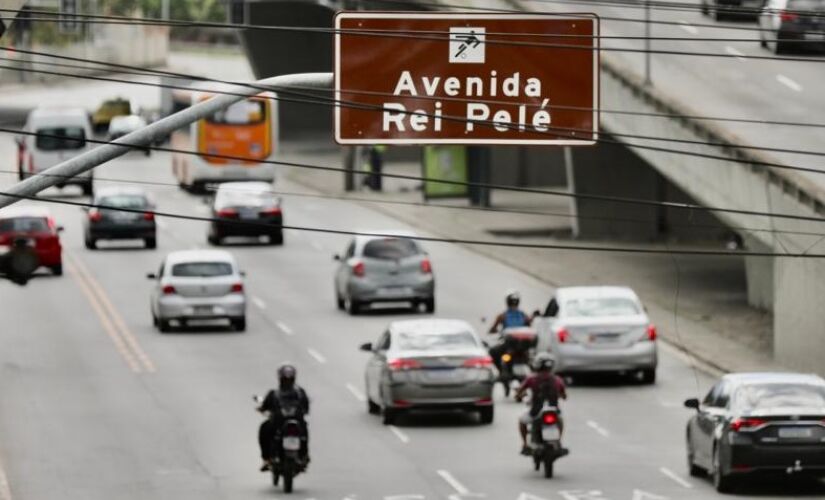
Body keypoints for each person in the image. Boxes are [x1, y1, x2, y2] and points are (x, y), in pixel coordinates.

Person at [257, 364, 310, 471]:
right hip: (295, 422)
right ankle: (304, 456)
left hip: (278, 423)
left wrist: (261, 409)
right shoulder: (300, 392)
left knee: (264, 429)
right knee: (304, 432)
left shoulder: (274, 393)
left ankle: (266, 458)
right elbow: (306, 407)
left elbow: (264, 407)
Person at [514, 353, 567, 455]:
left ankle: (525, 444)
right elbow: (564, 396)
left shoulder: (531, 379)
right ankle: (559, 441)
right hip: (554, 411)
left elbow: (519, 392)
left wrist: (518, 395)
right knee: (560, 421)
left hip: (535, 411)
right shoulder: (557, 379)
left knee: (522, 422)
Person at [488, 291, 534, 371]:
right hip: (523, 346)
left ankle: (499, 371)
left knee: (492, 352)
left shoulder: (502, 315)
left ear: (507, 302)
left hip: (509, 346)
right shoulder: (524, 315)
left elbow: (492, 330)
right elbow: (530, 328)